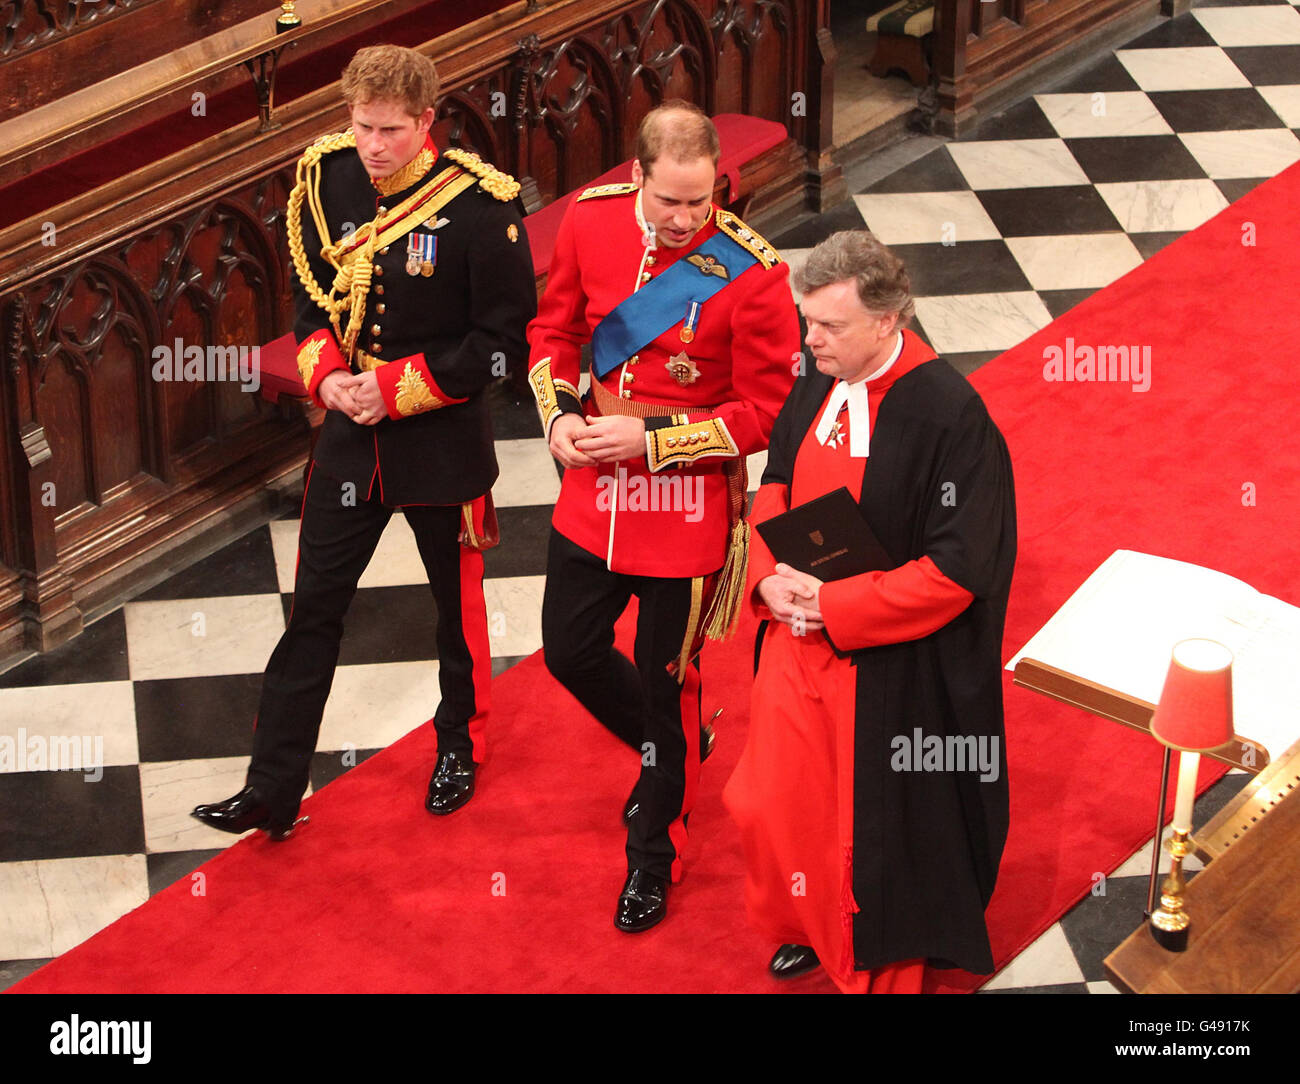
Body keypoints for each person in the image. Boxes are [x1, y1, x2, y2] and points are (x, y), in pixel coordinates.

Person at [193, 45, 536, 838]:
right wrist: (328, 380)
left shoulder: (483, 209)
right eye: (360, 127)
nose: (372, 147)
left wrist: (394, 388)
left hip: (441, 442)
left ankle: (462, 746)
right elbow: (311, 307)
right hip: (351, 442)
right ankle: (273, 788)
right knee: (312, 610)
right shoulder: (330, 176)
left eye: (389, 130)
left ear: (427, 122)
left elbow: (503, 346)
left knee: (456, 614)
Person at [527, 101, 800, 932]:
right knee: (569, 649)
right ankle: (671, 746)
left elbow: (767, 408)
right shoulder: (591, 220)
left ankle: (656, 847)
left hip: (684, 509)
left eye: (702, 202)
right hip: (593, 495)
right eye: (670, 201)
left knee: (664, 678)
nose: (686, 221)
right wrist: (560, 413)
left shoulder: (753, 272)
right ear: (636, 176)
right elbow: (555, 332)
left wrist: (651, 440)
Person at [723, 230, 1016, 992]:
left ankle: (870, 960)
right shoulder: (822, 375)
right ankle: (808, 924)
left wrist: (838, 605)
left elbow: (958, 572)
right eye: (807, 321)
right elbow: (778, 480)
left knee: (866, 833)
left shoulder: (952, 417)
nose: (810, 340)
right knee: (766, 805)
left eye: (830, 326)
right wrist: (767, 580)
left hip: (887, 666)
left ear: (888, 321)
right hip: (797, 639)